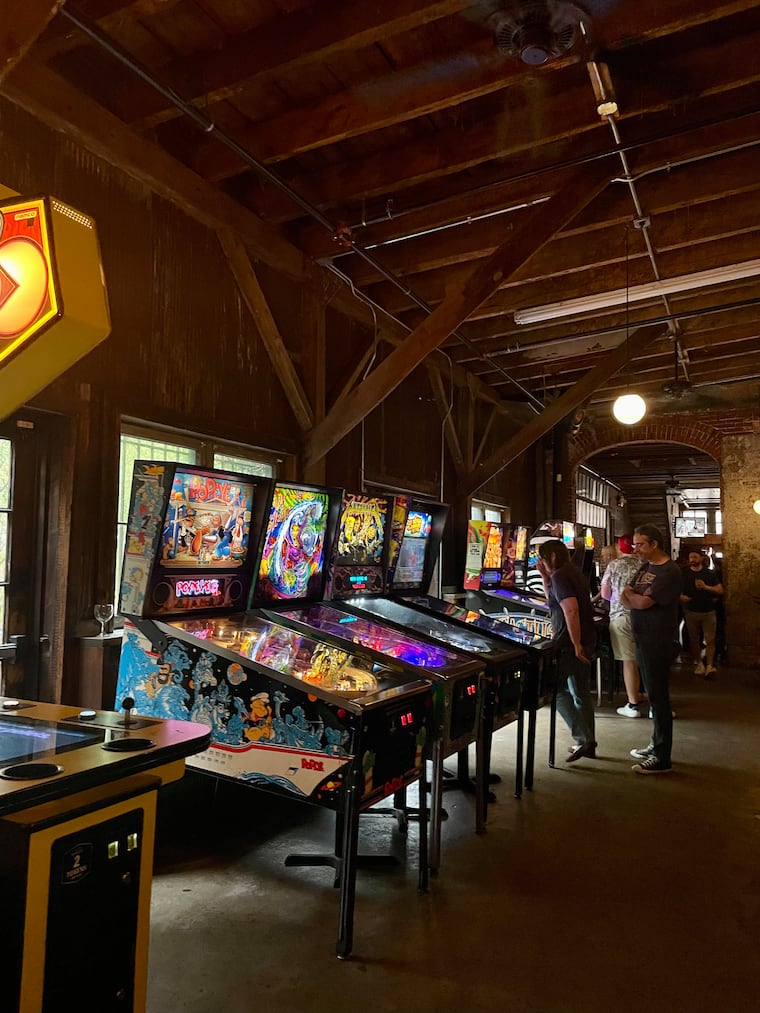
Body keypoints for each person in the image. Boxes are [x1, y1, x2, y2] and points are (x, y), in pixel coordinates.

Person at [622, 524, 682, 775]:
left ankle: (662, 756)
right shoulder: (645, 567)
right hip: (643, 638)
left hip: (658, 640)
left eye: (640, 544)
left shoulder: (670, 572)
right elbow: (625, 595)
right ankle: (656, 743)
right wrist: (633, 597)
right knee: (653, 696)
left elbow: (643, 602)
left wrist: (635, 597)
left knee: (659, 698)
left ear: (654, 544)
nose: (636, 549)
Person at [537, 538, 597, 762]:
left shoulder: (560, 576)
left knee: (555, 689)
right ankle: (588, 742)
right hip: (586, 638)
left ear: (552, 556)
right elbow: (553, 601)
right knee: (581, 692)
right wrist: (545, 578)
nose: (542, 562)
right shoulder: (572, 572)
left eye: (543, 557)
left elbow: (571, 610)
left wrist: (576, 644)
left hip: (568, 643)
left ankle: (583, 738)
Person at [600, 534, 645, 717]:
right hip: (645, 616)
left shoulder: (614, 565)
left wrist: (617, 596)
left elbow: (605, 593)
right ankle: (655, 704)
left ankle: (633, 705)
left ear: (619, 548)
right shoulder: (645, 564)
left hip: (620, 616)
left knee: (629, 661)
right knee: (648, 660)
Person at [680, 550, 724, 678]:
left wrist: (706, 587)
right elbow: (676, 590)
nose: (692, 559)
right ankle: (699, 663)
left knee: (710, 639)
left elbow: (720, 590)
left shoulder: (709, 574)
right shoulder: (684, 574)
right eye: (691, 557)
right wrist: (681, 597)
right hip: (691, 611)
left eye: (695, 557)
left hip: (708, 611)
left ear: (701, 558)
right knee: (694, 640)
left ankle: (709, 665)